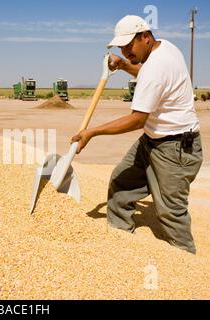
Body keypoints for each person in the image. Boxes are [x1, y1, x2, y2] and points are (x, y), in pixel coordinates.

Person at [71, 15, 203, 254]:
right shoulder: (164, 47)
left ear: (145, 36)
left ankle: (186, 264)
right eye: (121, 47)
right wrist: (122, 64)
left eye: (129, 46)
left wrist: (92, 132)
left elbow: (137, 119)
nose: (125, 50)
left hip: (176, 148)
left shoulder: (155, 68)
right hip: (153, 140)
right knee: (122, 181)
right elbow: (141, 72)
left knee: (170, 211)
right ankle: (122, 244)